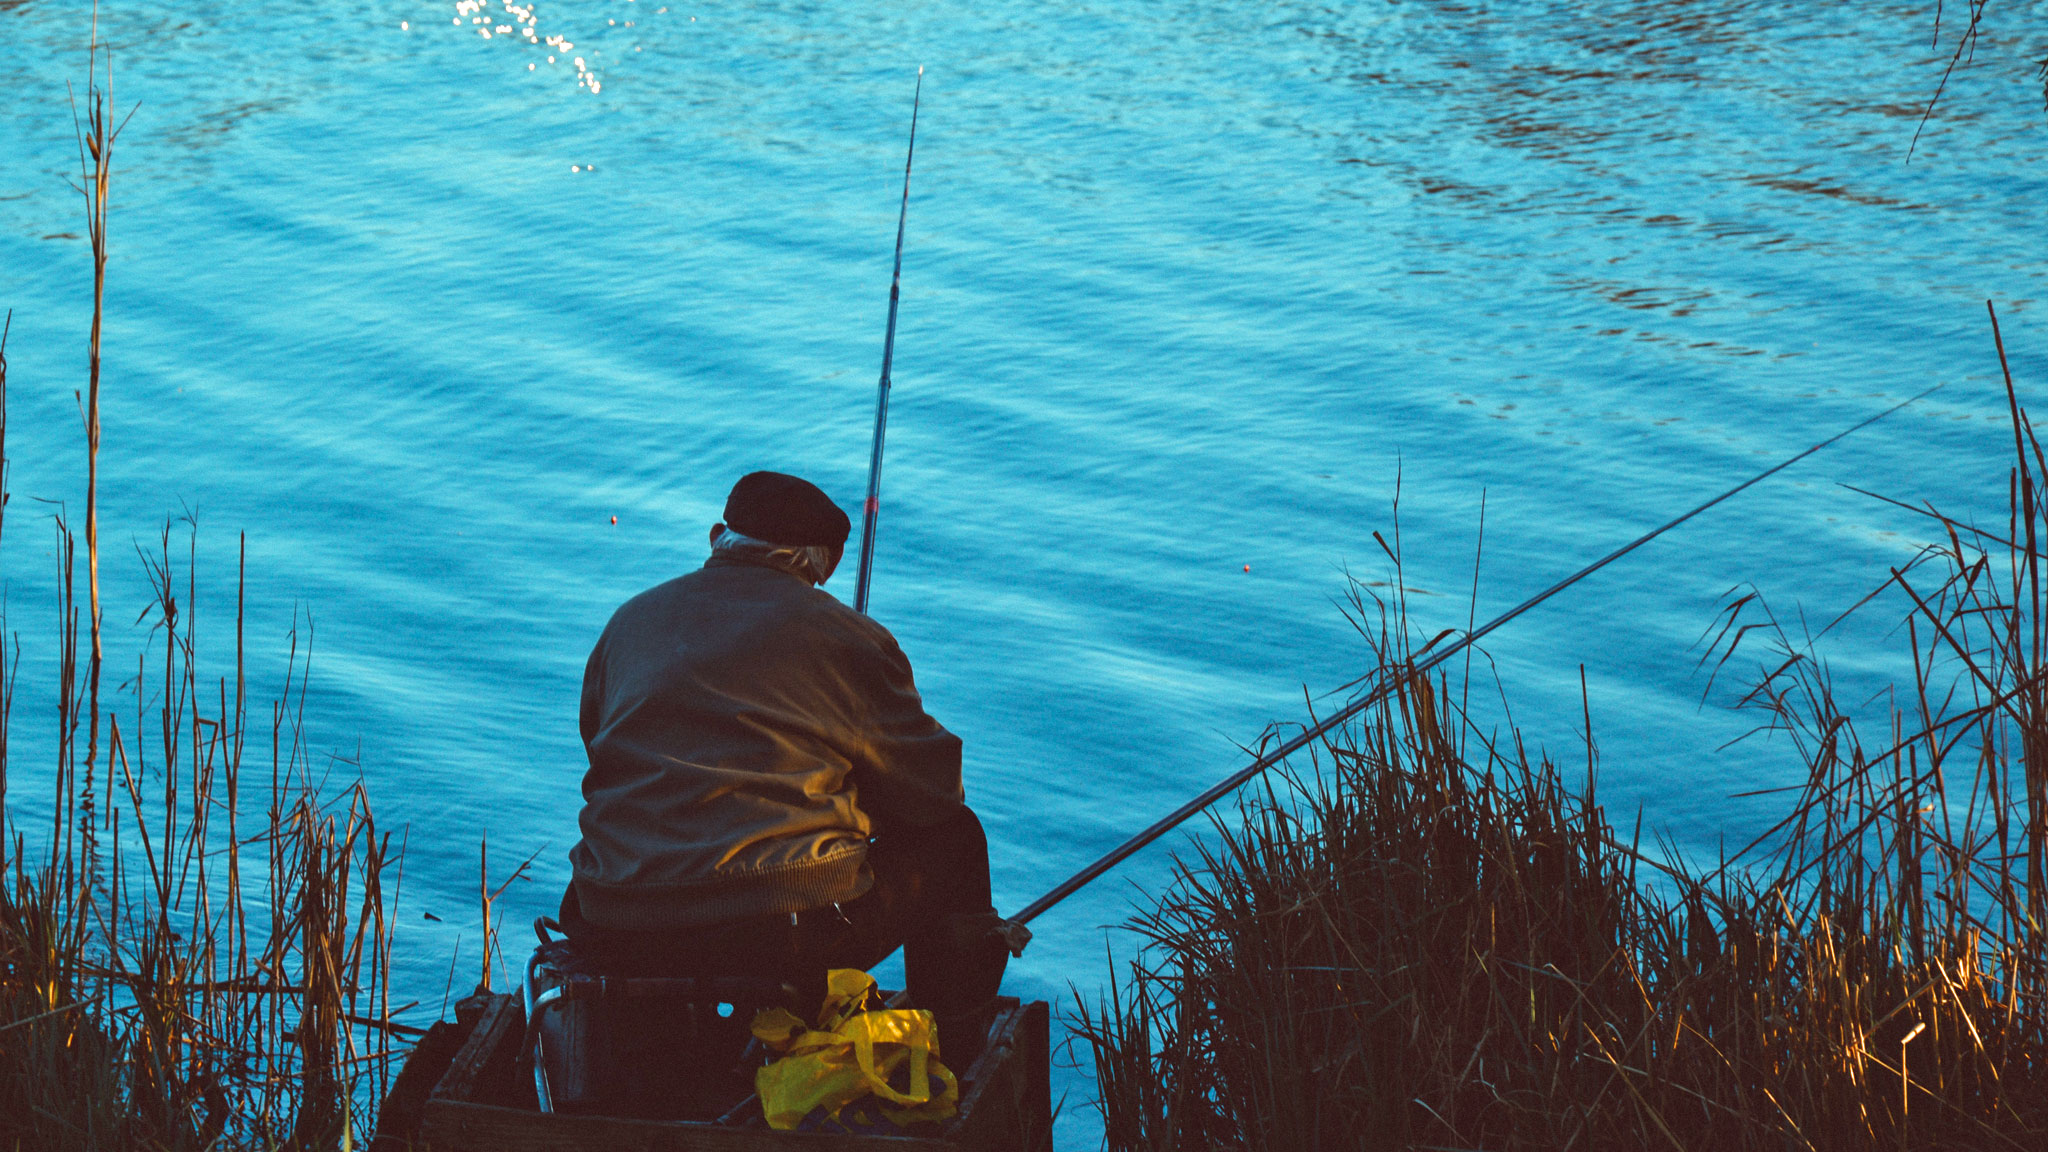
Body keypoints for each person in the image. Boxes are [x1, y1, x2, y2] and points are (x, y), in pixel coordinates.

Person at [559, 470, 1017, 1076]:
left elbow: (600, 746)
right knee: (955, 840)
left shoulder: (629, 623)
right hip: (775, 935)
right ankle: (949, 1052)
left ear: (718, 536)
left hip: (614, 922)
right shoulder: (848, 638)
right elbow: (933, 796)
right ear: (826, 564)